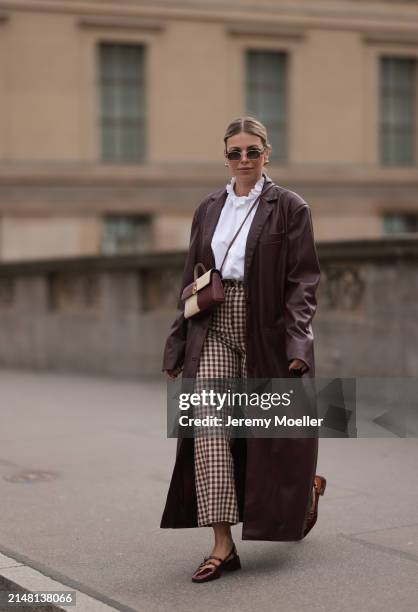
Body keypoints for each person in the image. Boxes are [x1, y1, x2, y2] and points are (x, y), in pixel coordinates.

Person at [160, 116, 326, 583]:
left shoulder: (290, 207)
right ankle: (221, 545)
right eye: (235, 152)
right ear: (226, 157)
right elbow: (191, 278)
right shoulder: (209, 206)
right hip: (212, 324)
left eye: (253, 151)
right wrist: (177, 342)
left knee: (269, 434)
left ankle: (304, 493)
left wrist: (298, 340)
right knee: (209, 430)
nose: (244, 160)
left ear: (267, 153)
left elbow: (303, 281)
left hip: (266, 327)